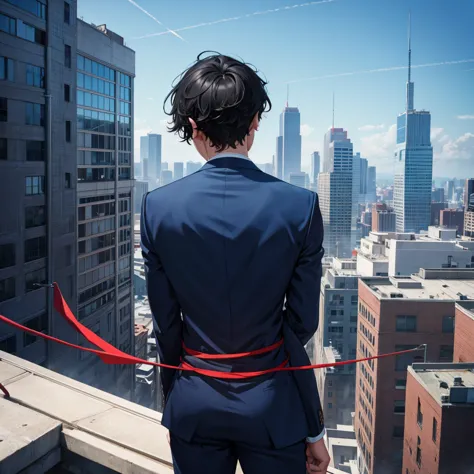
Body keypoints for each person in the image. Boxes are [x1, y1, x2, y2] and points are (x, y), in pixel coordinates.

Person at [141, 52, 330, 474]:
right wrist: (314, 431)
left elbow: (167, 325)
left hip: (194, 404)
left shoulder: (158, 208)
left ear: (193, 128)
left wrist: (176, 398)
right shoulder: (300, 207)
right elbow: (300, 325)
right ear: (254, 124)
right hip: (273, 407)